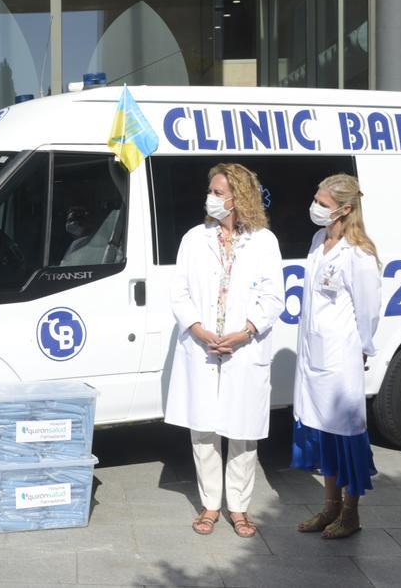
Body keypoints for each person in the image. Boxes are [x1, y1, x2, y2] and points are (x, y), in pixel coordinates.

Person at [164, 163, 284, 538]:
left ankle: (240, 508)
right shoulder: (193, 238)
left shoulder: (264, 241)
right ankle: (211, 504)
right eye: (211, 191)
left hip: (243, 348)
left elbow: (273, 296)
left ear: (238, 198)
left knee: (243, 432)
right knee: (203, 431)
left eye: (218, 192)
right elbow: (179, 292)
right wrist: (198, 330)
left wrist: (245, 333)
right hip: (201, 347)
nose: (211, 198)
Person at [291, 173, 382, 540]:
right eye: (316, 198)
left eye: (323, 203)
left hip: (341, 357)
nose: (315, 207)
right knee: (323, 433)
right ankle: (328, 507)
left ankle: (351, 512)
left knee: (346, 435)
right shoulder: (319, 240)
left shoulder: (359, 253)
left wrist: (362, 348)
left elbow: (369, 310)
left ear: (345, 209)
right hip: (313, 354)